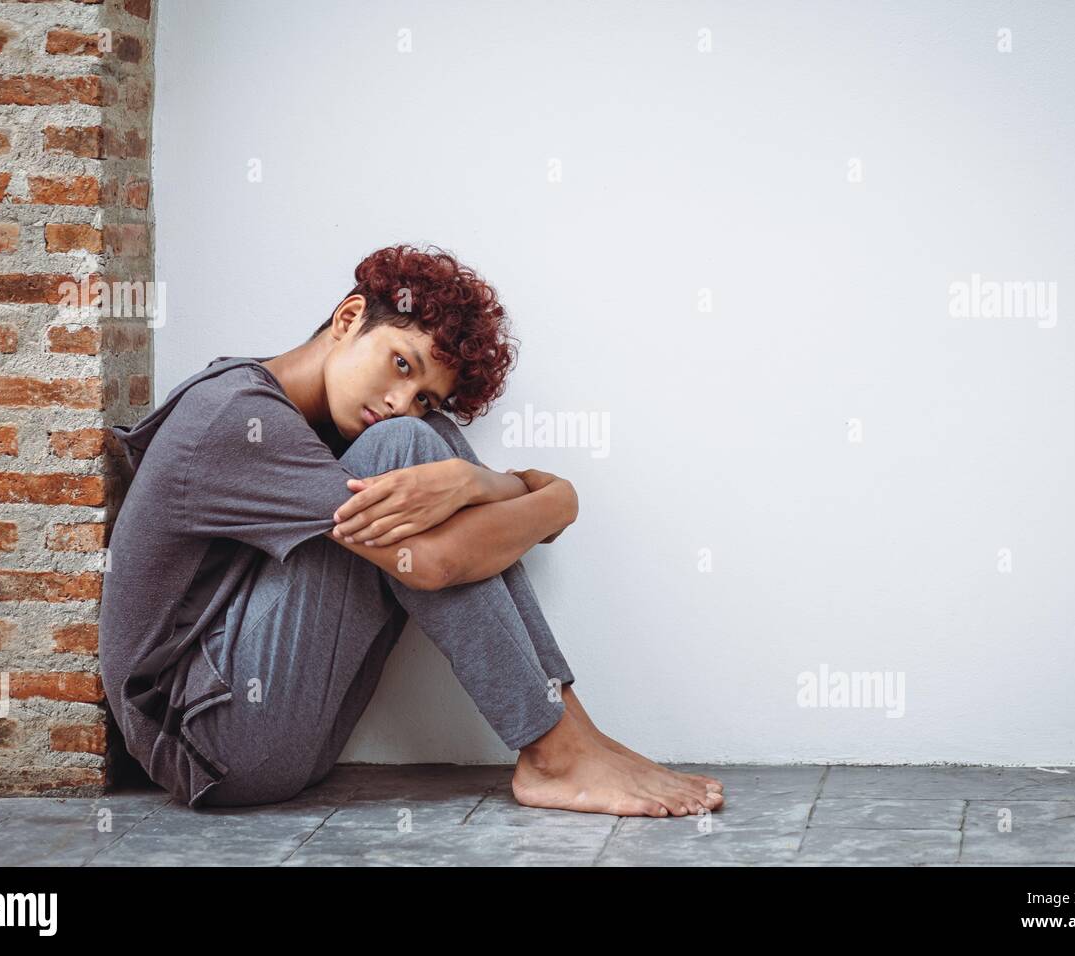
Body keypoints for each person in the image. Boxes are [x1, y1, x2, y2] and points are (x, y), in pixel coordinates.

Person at [99, 243, 724, 817]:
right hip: (214, 743)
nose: (403, 398)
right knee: (404, 446)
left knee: (427, 441)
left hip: (288, 734)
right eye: (402, 364)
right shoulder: (236, 418)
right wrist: (555, 501)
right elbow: (432, 564)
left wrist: (473, 482)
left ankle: (568, 734)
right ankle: (556, 750)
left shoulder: (321, 420)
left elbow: (447, 537)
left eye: (424, 392)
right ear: (348, 319)